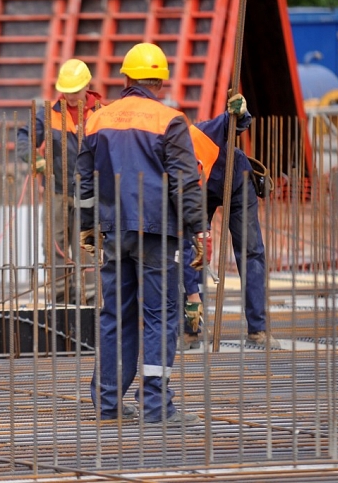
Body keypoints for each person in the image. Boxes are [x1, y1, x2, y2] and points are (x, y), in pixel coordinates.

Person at [76, 42, 210, 426]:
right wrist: (198, 231)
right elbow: (184, 184)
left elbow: (85, 179)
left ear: (126, 79)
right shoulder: (170, 120)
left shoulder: (99, 119)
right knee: (160, 316)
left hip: (114, 230)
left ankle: (107, 402)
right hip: (158, 233)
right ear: (161, 82)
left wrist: (87, 226)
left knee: (115, 314)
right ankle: (155, 405)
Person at [180, 93, 274, 349]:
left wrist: (240, 111)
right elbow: (183, 246)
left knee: (251, 251)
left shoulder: (197, 134)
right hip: (200, 194)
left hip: (237, 182)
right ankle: (191, 328)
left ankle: (258, 329)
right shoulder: (172, 176)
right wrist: (191, 294)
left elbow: (233, 122)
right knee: (191, 252)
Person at [16, 59, 101, 305]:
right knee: (55, 248)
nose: (71, 96)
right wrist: (34, 159)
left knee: (88, 247)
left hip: (91, 194)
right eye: (66, 91)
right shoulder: (49, 114)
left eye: (75, 91)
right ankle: (62, 301)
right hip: (58, 191)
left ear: (87, 86)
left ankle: (92, 301)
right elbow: (25, 135)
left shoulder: (100, 113)